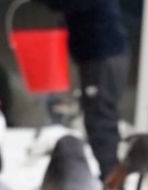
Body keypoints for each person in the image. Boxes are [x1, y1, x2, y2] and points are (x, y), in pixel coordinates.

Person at [37, 0, 129, 179]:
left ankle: (112, 185)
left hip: (104, 55)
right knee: (97, 117)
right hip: (97, 55)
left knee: (101, 120)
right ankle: (110, 179)